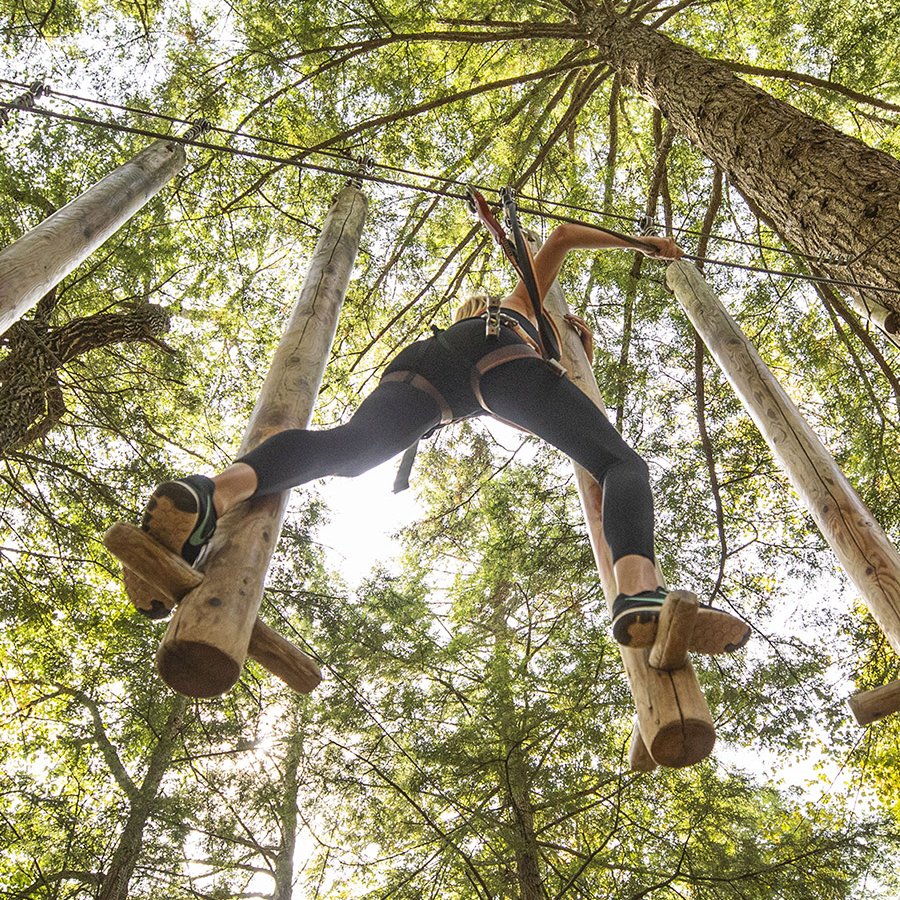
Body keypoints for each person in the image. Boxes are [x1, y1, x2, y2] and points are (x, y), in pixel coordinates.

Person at [136, 223, 750, 654]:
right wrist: (641, 245)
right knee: (620, 463)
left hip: (427, 375)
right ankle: (638, 592)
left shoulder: (495, 328)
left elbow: (517, 414)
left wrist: (559, 361)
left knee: (346, 452)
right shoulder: (520, 312)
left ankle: (207, 496)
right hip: (495, 365)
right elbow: (560, 239)